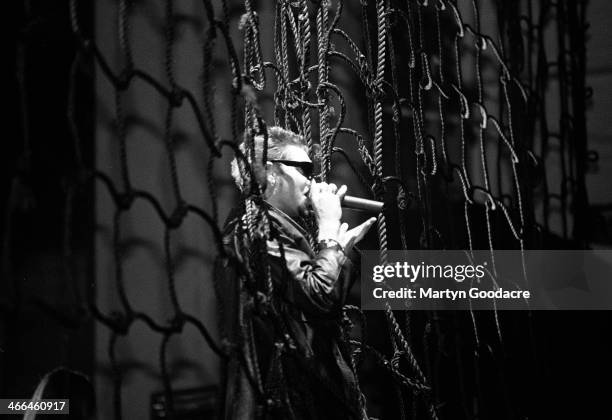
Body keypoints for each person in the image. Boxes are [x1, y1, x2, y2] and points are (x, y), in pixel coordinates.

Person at [221, 127, 376, 420]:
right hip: (285, 405)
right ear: (269, 172)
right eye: (304, 169)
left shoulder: (277, 229)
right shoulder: (256, 229)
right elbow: (321, 296)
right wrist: (329, 231)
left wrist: (340, 251)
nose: (312, 180)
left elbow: (317, 304)